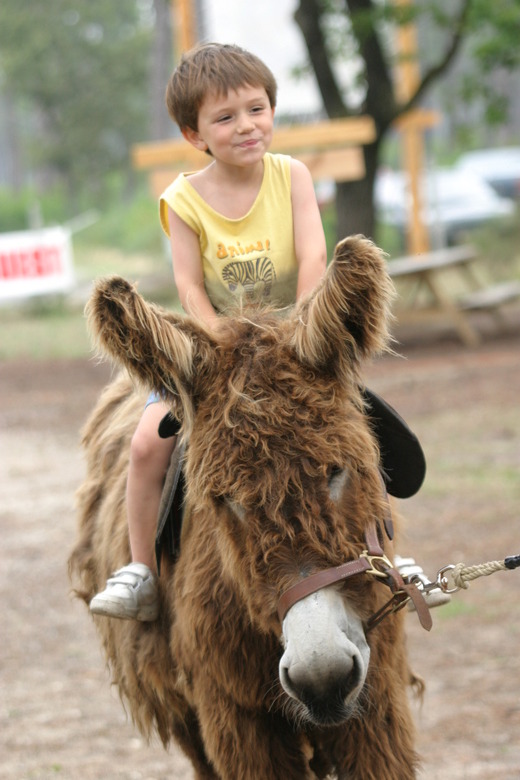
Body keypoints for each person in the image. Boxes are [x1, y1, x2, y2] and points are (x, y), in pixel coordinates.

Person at [90, 43, 447, 622]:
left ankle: (383, 554)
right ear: (194, 134)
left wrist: (301, 331)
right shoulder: (182, 200)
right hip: (218, 356)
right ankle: (142, 571)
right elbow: (189, 287)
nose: (246, 127)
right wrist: (216, 349)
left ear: (273, 110)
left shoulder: (292, 175)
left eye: (256, 109)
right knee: (146, 443)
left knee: (353, 432)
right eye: (225, 118)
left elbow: (313, 255)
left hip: (295, 346)